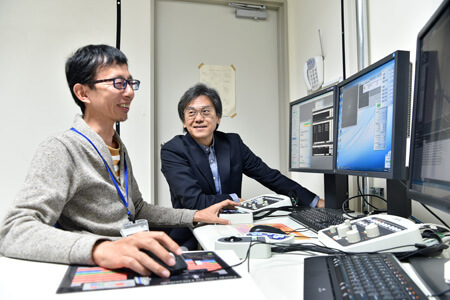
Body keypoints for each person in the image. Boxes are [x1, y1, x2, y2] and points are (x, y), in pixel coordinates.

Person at [0, 45, 237, 278]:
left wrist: (196, 215)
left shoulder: (117, 146)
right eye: (118, 83)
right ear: (83, 93)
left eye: (130, 83)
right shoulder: (62, 148)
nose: (130, 92)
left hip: (131, 258)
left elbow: (138, 208)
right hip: (98, 268)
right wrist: (101, 248)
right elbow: (14, 230)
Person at [160, 83, 324, 249]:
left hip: (233, 227)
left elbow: (269, 176)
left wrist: (314, 202)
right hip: (193, 233)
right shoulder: (173, 150)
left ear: (218, 118)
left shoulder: (232, 144)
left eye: (206, 111)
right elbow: (193, 200)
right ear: (184, 121)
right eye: (191, 113)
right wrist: (233, 199)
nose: (199, 118)